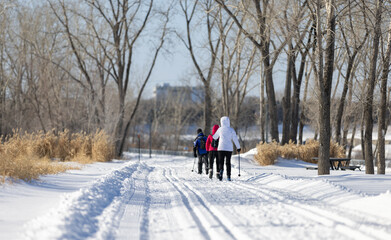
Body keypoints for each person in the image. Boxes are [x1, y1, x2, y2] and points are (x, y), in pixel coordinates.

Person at [213, 116, 240, 181]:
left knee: (221, 162)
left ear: (221, 122)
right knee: (228, 163)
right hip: (229, 148)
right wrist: (238, 147)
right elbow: (235, 139)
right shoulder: (231, 130)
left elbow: (214, 137)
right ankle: (228, 176)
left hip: (221, 148)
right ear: (228, 122)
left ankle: (221, 171)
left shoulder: (220, 129)